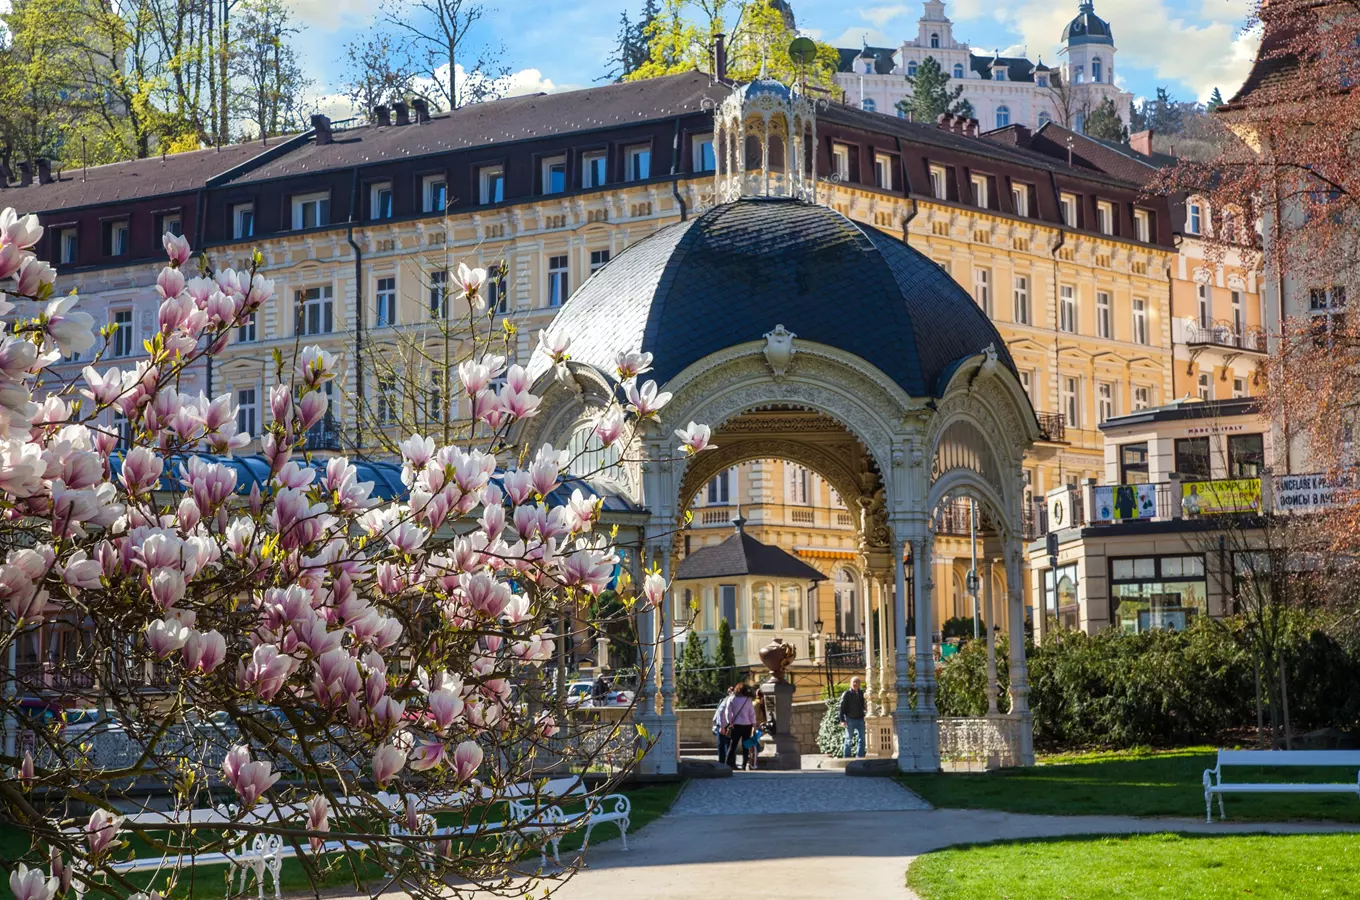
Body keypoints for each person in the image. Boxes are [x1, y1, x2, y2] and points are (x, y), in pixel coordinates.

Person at [721, 684, 757, 770]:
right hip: (747, 725)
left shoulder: (732, 698)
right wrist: (754, 724)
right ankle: (744, 765)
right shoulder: (748, 700)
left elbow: (727, 712)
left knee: (732, 746)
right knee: (746, 746)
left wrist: (730, 722)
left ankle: (727, 763)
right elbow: (752, 713)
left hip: (736, 725)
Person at [839, 676, 867, 759]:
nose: (855, 684)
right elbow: (842, 708)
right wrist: (842, 720)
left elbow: (862, 705)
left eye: (857, 682)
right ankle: (847, 757)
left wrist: (866, 708)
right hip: (850, 719)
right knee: (848, 739)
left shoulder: (861, 693)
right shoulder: (847, 694)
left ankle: (860, 756)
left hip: (860, 719)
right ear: (850, 683)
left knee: (862, 739)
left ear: (859, 684)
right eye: (854, 682)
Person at [712, 685, 735, 763]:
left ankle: (726, 762)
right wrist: (721, 726)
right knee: (724, 744)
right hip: (724, 724)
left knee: (726, 744)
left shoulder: (726, 699)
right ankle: (725, 762)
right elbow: (720, 712)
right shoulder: (728, 700)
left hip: (726, 724)